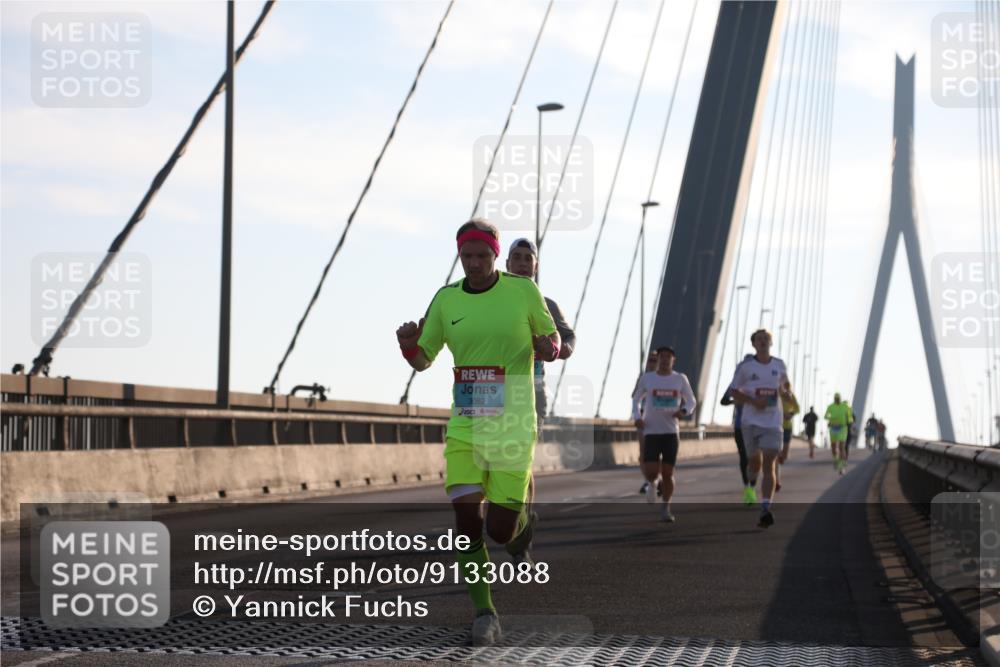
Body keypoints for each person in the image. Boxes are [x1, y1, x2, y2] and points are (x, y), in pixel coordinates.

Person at [396, 218, 560, 646]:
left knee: (500, 531)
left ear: (495, 255)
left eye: (481, 256)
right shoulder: (446, 300)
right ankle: (485, 612)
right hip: (466, 423)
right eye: (466, 256)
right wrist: (408, 345)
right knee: (467, 520)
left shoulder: (523, 291)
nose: (473, 263)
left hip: (513, 424)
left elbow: (553, 340)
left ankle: (524, 527)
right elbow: (423, 359)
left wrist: (549, 348)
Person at [505, 237, 576, 564]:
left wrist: (555, 349)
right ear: (506, 264)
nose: (521, 263)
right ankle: (517, 521)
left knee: (519, 463)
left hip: (530, 390)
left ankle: (520, 536)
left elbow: (568, 338)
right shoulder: (491, 299)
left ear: (536, 266)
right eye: (516, 257)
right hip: (488, 391)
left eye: (527, 258)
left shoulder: (545, 303)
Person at [728, 329, 790, 528]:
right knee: (754, 463)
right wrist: (754, 401)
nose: (763, 342)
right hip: (750, 422)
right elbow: (733, 392)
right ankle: (749, 485)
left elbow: (786, 385)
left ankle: (765, 508)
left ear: (771, 343)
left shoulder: (779, 365)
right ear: (753, 344)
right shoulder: (745, 367)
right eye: (759, 339)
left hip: (773, 422)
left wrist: (786, 392)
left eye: (766, 339)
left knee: (769, 463)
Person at [632, 346, 696, 522]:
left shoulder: (680, 379)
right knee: (652, 470)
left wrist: (683, 411)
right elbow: (636, 399)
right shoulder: (648, 379)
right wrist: (637, 417)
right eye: (662, 356)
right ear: (658, 359)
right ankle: (652, 483)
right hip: (651, 430)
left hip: (670, 432)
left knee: (668, 473)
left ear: (673, 360)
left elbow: (691, 400)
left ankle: (666, 507)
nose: (665, 359)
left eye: (669, 357)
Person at [721, 353, 756, 505]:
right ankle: (750, 488)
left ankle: (749, 487)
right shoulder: (736, 384)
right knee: (747, 458)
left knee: (749, 458)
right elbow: (723, 400)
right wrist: (735, 401)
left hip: (752, 426)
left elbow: (724, 401)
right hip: (743, 426)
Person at [634, 351, 661, 497]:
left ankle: (658, 478)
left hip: (660, 419)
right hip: (644, 418)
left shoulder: (666, 378)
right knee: (643, 453)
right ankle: (648, 481)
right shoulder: (643, 378)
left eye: (654, 360)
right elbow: (635, 396)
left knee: (658, 453)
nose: (651, 363)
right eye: (650, 360)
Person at [777, 382, 799, 492]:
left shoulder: (791, 397)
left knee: (784, 454)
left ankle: (779, 464)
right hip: (776, 427)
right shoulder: (776, 396)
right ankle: (776, 479)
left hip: (788, 427)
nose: (785, 389)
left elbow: (797, 409)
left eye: (787, 387)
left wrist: (790, 414)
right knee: (776, 453)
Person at [825, 393, 851, 475]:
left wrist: (849, 421)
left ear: (840, 398)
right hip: (833, 428)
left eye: (838, 398)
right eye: (836, 398)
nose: (837, 399)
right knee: (833, 446)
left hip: (842, 428)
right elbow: (826, 416)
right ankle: (836, 460)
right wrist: (831, 419)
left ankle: (841, 466)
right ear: (834, 399)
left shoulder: (845, 406)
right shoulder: (830, 406)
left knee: (841, 446)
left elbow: (849, 416)